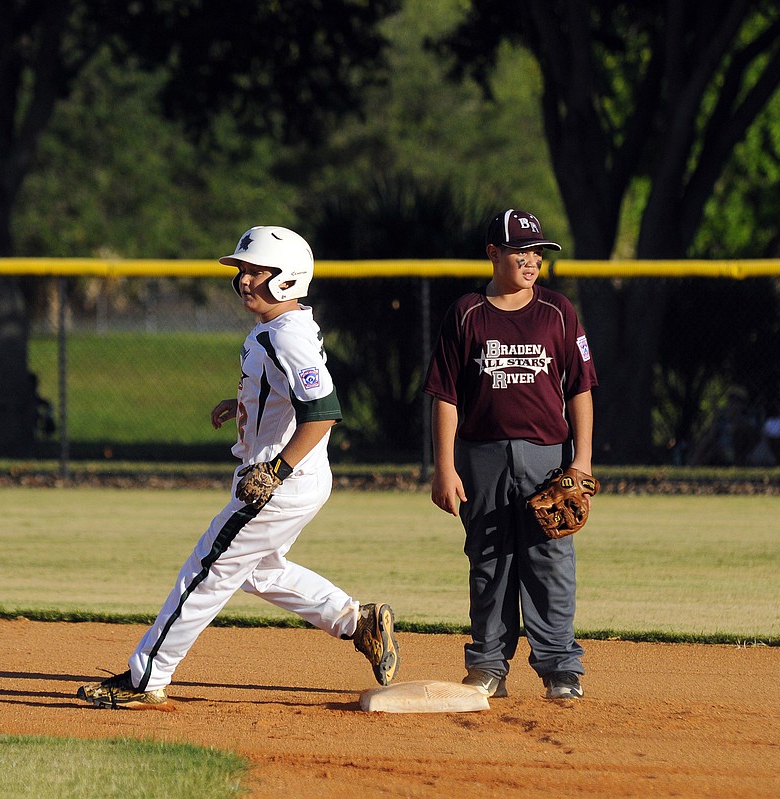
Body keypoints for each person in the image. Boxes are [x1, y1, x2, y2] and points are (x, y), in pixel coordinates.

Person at [77, 225, 400, 709]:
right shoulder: (276, 330)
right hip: (287, 477)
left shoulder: (287, 335)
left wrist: (276, 472)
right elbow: (289, 394)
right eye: (243, 271)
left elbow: (324, 412)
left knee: (206, 572)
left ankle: (147, 677)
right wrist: (246, 401)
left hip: (280, 482)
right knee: (259, 572)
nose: (245, 280)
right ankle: (357, 622)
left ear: (288, 278)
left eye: (257, 271)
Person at [423, 209, 597, 701]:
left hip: (548, 457)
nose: (531, 260)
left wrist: (581, 460)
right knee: (489, 561)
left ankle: (561, 668)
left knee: (550, 561)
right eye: (521, 250)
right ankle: (488, 666)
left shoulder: (559, 311)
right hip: (482, 456)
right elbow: (446, 396)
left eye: (537, 251)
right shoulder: (466, 312)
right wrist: (444, 467)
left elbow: (581, 388)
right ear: (493, 254)